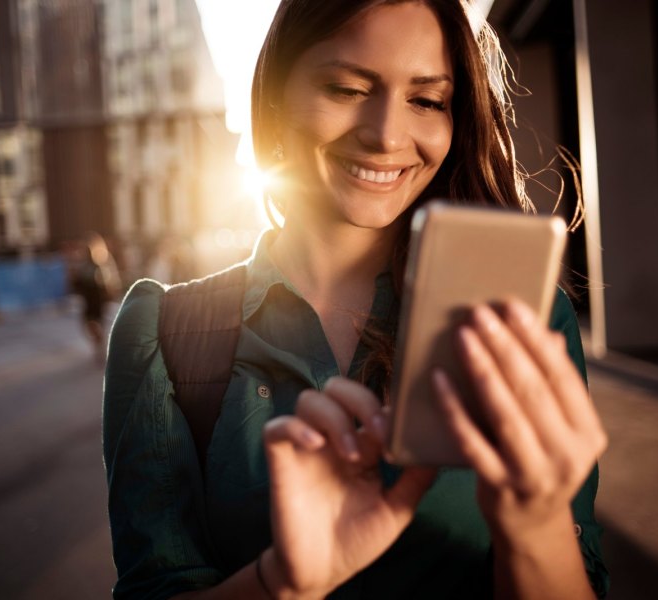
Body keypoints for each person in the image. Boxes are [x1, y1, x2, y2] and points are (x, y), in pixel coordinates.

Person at [102, 1, 610, 598]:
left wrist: (537, 525)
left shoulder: (518, 319)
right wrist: (282, 582)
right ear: (274, 96)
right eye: (346, 88)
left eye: (426, 100)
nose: (387, 135)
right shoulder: (165, 333)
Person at [70, 231, 121, 363]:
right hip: (88, 298)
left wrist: (109, 291)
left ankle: (99, 347)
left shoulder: (101, 261)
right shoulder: (82, 263)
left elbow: (109, 280)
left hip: (97, 298)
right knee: (88, 325)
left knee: (96, 324)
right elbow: (78, 282)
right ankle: (99, 344)